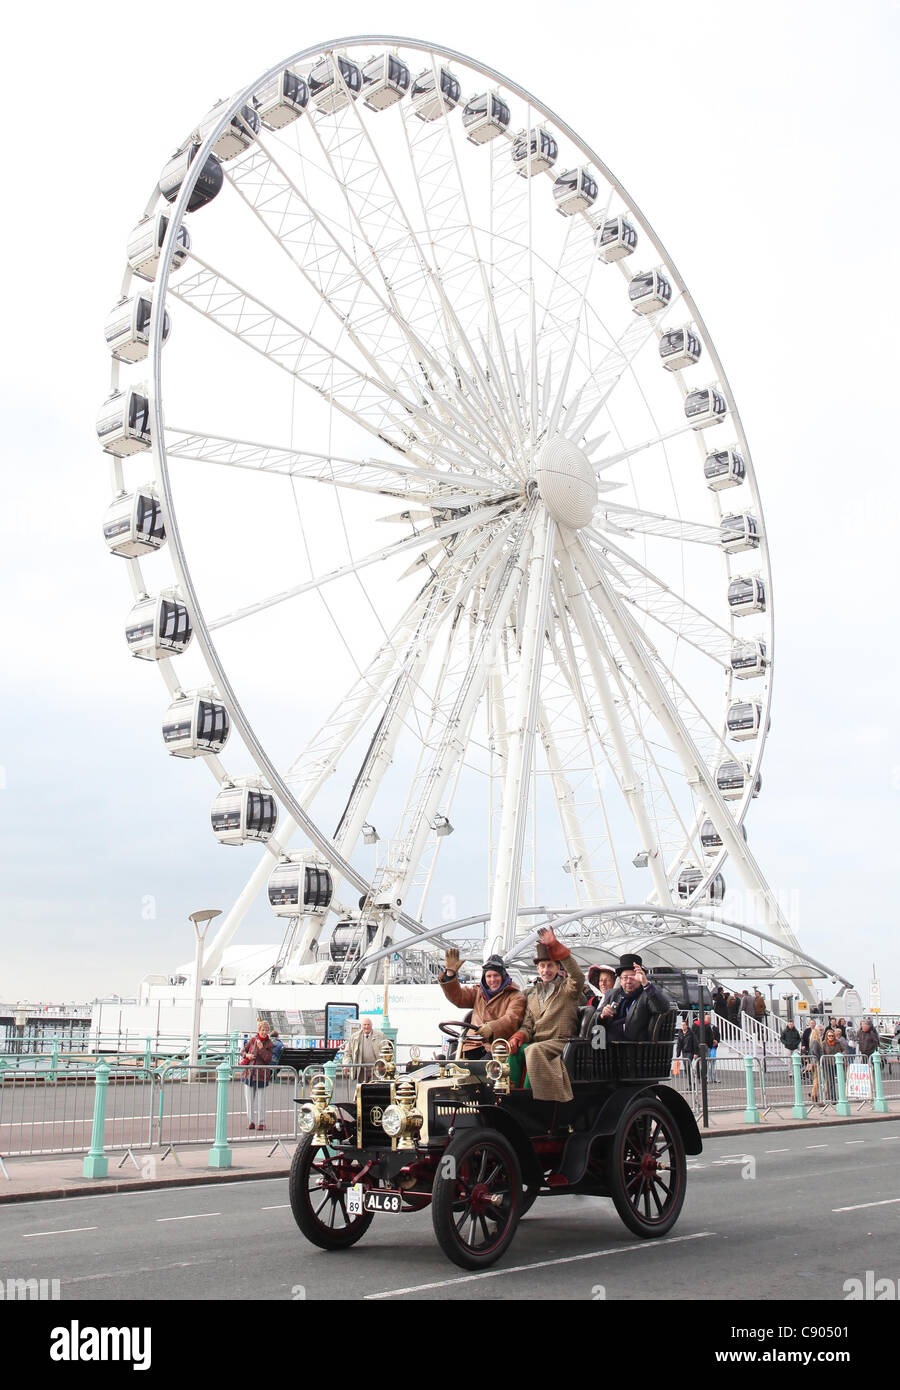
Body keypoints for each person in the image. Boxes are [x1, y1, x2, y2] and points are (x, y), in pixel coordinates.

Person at [507, 926, 584, 1101]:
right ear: (537, 969)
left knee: (533, 1050)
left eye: (550, 965)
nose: (545, 970)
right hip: (538, 1044)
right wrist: (519, 1035)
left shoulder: (568, 989)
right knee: (515, 1051)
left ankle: (529, 1098)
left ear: (558, 968)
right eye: (542, 966)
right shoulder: (532, 994)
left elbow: (578, 976)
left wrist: (558, 949)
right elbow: (527, 1024)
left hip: (561, 1042)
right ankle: (511, 1093)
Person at [437, 950, 525, 1059]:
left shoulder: (515, 996)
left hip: (496, 1047)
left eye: (496, 975)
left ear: (503, 976)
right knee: (450, 1063)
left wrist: (492, 1028)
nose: (492, 980)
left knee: (483, 1067)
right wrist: (450, 974)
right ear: (484, 977)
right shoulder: (478, 992)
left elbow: (512, 1019)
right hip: (472, 1045)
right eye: (489, 976)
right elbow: (458, 997)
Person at [597, 955, 676, 1043]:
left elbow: (663, 1007)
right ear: (620, 979)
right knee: (595, 1041)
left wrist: (646, 984)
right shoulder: (611, 994)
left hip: (633, 1046)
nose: (628, 981)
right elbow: (596, 1015)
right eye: (625, 977)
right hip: (607, 1044)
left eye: (633, 977)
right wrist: (602, 1015)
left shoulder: (647, 995)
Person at [240, 1020, 274, 1131]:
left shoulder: (269, 1043)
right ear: (258, 1030)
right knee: (249, 1100)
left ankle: (261, 1122)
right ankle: (251, 1121)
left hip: (262, 1075)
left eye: (266, 1030)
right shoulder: (253, 1040)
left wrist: (261, 1048)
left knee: (261, 1100)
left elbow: (268, 1059)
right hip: (250, 1073)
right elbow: (243, 1051)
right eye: (262, 1030)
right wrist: (247, 1055)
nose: (264, 1032)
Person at [344, 1016, 386, 1082]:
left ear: (372, 1025)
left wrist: (384, 1065)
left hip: (376, 1068)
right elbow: (347, 1052)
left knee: (375, 1088)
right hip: (361, 1069)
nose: (366, 1026)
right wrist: (345, 1065)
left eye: (368, 1024)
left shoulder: (380, 1036)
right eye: (364, 1025)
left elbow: (386, 1052)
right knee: (362, 1089)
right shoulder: (355, 1037)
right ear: (361, 1026)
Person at [676, 1017, 697, 1092]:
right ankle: (691, 1084)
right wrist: (677, 1053)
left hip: (690, 1052)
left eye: (684, 1025)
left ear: (687, 1026)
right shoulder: (680, 1033)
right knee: (686, 1069)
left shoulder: (691, 1033)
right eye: (682, 1025)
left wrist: (696, 1053)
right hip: (684, 1052)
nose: (683, 1027)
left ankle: (692, 1084)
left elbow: (695, 1043)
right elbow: (679, 1044)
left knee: (688, 1067)